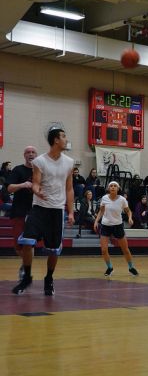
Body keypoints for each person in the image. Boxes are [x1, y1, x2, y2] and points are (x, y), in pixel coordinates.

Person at [11, 125, 74, 295]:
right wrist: (36, 190)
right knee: (26, 241)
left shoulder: (69, 162)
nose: (66, 139)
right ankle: (27, 277)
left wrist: (71, 212)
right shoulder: (40, 161)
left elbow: (69, 189)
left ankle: (49, 278)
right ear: (56, 140)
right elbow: (36, 182)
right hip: (39, 208)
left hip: (56, 210)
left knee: (54, 250)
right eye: (64, 136)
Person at [94, 181, 139, 277]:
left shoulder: (122, 200)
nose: (113, 187)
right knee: (104, 250)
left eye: (115, 186)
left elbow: (128, 211)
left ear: (118, 189)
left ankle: (131, 267)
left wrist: (130, 218)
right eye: (111, 186)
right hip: (105, 225)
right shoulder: (104, 198)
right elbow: (101, 211)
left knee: (125, 249)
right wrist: (96, 221)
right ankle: (109, 268)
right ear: (108, 188)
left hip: (118, 225)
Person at [6, 146, 38, 280]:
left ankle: (26, 269)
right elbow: (9, 188)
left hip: (35, 212)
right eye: (28, 152)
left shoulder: (41, 171)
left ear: (36, 155)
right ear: (24, 155)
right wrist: (22, 185)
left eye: (33, 152)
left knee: (30, 243)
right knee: (18, 245)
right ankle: (25, 264)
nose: (30, 154)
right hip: (19, 211)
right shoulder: (17, 170)